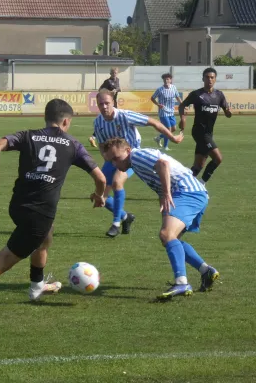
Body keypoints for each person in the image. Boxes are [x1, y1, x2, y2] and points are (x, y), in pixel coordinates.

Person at [0, 99, 106, 315]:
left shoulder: (28, 135)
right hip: (40, 212)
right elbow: (101, 179)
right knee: (6, 259)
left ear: (46, 118)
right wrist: (99, 195)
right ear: (66, 121)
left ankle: (37, 287)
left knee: (46, 236)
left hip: (18, 205)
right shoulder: (73, 144)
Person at [101, 138, 220, 300]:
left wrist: (166, 193)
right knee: (172, 239)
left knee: (167, 235)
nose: (114, 163)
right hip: (190, 192)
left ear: (127, 151)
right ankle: (206, 271)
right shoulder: (134, 162)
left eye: (116, 158)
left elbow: (163, 165)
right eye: (110, 160)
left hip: (187, 192)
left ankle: (182, 282)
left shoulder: (137, 156)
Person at [93, 89, 184, 238]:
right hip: (112, 160)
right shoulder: (98, 122)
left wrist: (172, 138)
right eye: (100, 104)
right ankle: (125, 217)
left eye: (107, 103)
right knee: (99, 196)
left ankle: (116, 224)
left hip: (131, 158)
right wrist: (106, 158)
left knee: (117, 182)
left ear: (113, 103)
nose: (104, 107)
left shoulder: (125, 116)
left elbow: (154, 123)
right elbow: (102, 145)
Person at [178, 67, 232, 183]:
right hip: (199, 132)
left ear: (215, 79)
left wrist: (228, 112)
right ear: (203, 79)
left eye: (212, 77)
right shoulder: (196, 94)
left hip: (209, 133)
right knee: (218, 158)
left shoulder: (219, 95)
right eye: (207, 77)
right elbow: (182, 106)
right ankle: (201, 185)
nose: (210, 80)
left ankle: (181, 184)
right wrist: (183, 119)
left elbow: (227, 113)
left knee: (198, 165)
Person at [89, 68, 122, 148]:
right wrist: (109, 92)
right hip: (109, 103)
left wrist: (116, 90)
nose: (114, 74)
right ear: (110, 73)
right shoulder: (107, 81)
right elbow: (100, 90)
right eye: (113, 73)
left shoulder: (117, 80)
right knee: (109, 121)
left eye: (115, 73)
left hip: (114, 102)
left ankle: (95, 137)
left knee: (113, 121)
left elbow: (119, 89)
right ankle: (96, 137)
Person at [151, 73, 183, 151]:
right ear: (163, 80)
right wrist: (158, 104)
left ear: (170, 80)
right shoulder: (160, 90)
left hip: (171, 111)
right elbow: (152, 98)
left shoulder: (174, 88)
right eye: (165, 79)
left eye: (168, 79)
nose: (166, 80)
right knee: (168, 129)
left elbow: (178, 97)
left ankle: (159, 137)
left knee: (173, 128)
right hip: (163, 112)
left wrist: (183, 105)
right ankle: (165, 147)